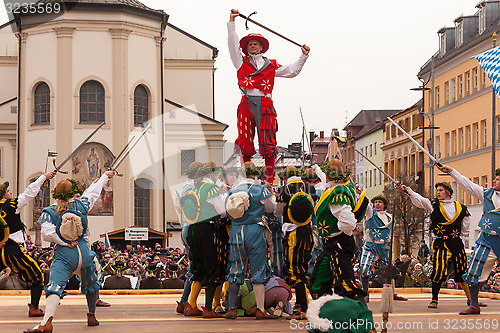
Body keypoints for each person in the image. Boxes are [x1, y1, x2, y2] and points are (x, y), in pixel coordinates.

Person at [24, 170, 115, 333]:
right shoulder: (82, 204)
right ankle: (91, 315)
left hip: (65, 255)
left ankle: (47, 322)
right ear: (73, 193)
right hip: (84, 252)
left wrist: (64, 243)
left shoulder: (50, 211)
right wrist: (105, 176)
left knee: (54, 286)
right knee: (92, 284)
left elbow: (47, 234)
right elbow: (93, 191)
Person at [227, 9, 310, 183]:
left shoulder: (271, 65)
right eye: (250, 44)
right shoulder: (240, 61)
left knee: (268, 142)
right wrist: (232, 23)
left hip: (265, 102)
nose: (252, 46)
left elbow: (292, 71)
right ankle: (248, 177)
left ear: (262, 47)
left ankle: (270, 181)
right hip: (247, 102)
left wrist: (303, 55)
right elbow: (232, 45)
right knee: (245, 142)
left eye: (255, 44)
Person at [438, 164, 500, 315]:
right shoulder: (486, 193)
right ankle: (474, 304)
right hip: (487, 239)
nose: (493, 181)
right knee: (473, 272)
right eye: (495, 178)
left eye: (498, 179)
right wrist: (452, 171)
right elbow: (467, 184)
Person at [400, 181, 470, 308]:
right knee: (438, 270)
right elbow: (420, 200)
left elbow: (465, 226)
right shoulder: (434, 205)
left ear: (448, 192)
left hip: (455, 242)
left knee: (462, 270)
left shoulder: (461, 208)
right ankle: (434, 299)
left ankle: (471, 299)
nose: (438, 192)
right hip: (440, 242)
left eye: (441, 190)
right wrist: (408, 191)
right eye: (437, 190)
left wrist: (462, 234)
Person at [309, 159, 369, 302]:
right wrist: (318, 169)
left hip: (338, 244)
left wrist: (341, 231)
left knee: (345, 283)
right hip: (331, 245)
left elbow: (348, 222)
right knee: (318, 282)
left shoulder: (338, 194)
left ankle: (357, 315)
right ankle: (325, 313)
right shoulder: (338, 186)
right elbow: (326, 180)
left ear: (331, 176)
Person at [224, 162, 278, 319]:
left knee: (235, 269)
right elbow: (271, 209)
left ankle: (231, 307)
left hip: (236, 232)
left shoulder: (232, 190)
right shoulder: (260, 189)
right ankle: (260, 309)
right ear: (255, 174)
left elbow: (225, 212)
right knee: (258, 269)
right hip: (255, 230)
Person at [0, 171, 56, 318]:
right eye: (7, 191)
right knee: (37, 275)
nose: (10, 192)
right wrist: (44, 177)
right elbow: (29, 193)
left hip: (3, 249)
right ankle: (34, 308)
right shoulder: (10, 205)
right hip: (12, 249)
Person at [182, 162, 227, 318]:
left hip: (194, 230)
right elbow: (222, 211)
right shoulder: (211, 189)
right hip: (208, 230)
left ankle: (191, 304)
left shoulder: (196, 188)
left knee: (198, 268)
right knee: (212, 268)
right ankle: (208, 308)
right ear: (213, 175)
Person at [275, 166, 317, 319]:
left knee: (295, 271)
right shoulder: (310, 189)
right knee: (303, 269)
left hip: (292, 234)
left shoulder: (284, 190)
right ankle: (301, 305)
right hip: (307, 232)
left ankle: (303, 309)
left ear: (286, 177)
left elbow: (277, 212)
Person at [359, 195, 407, 303]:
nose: (377, 204)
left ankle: (392, 293)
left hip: (383, 246)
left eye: (379, 202)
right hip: (370, 245)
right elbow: (365, 205)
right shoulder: (371, 213)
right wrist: (360, 194)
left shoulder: (391, 218)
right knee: (364, 267)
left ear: (384, 205)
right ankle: (365, 294)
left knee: (388, 271)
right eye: (375, 202)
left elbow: (389, 233)